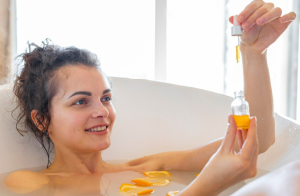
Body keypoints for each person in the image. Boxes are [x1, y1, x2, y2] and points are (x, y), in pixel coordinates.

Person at [4, 0, 296, 195]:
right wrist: (207, 186)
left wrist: (254, 53)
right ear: (43, 120)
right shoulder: (30, 182)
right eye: (81, 101)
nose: (102, 112)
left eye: (106, 98)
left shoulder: (149, 166)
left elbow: (254, 143)